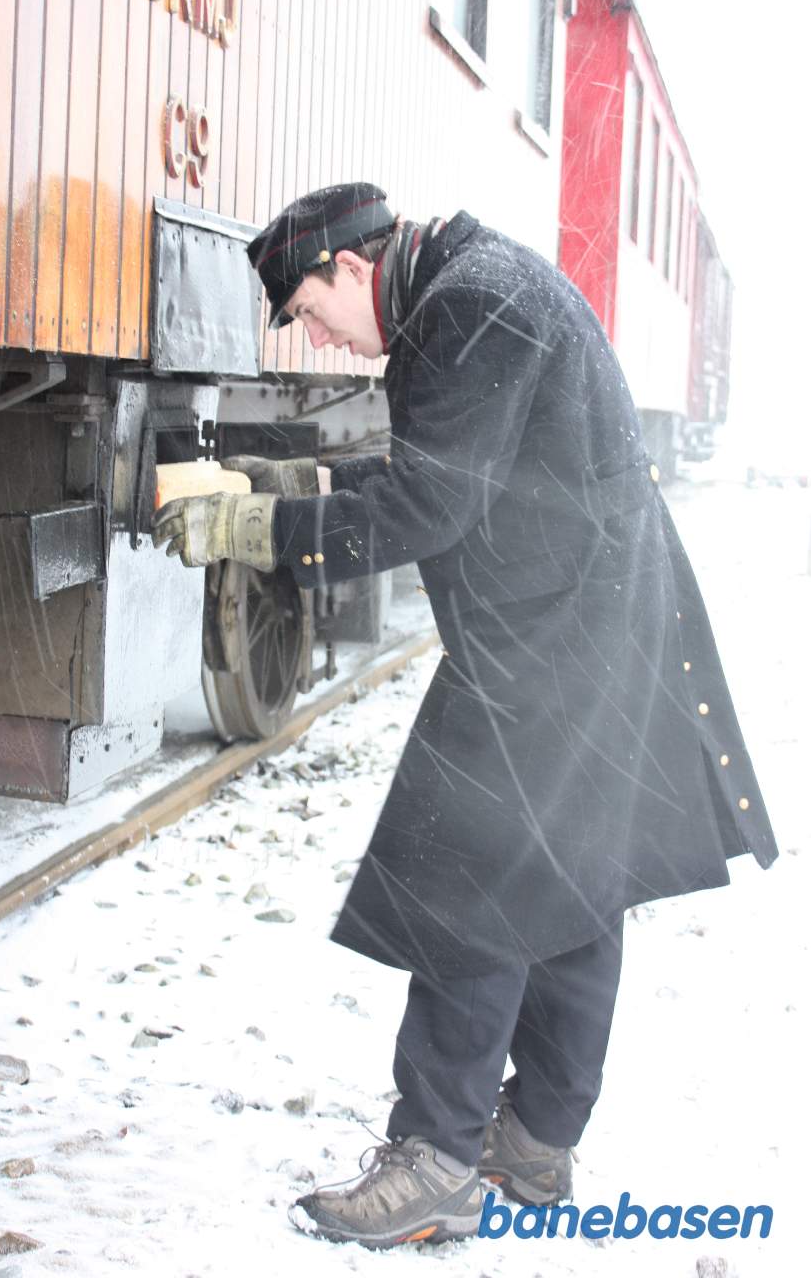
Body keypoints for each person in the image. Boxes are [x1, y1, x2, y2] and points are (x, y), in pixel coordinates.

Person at [151, 183, 778, 1250]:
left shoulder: (465, 307)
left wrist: (254, 524)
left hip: (550, 635)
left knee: (476, 875)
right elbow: (453, 461)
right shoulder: (482, 285)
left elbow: (424, 506)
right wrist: (295, 474)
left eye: (308, 309)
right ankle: (533, 1145)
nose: (321, 339)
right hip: (595, 617)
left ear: (352, 267)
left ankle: (435, 1158)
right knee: (576, 882)